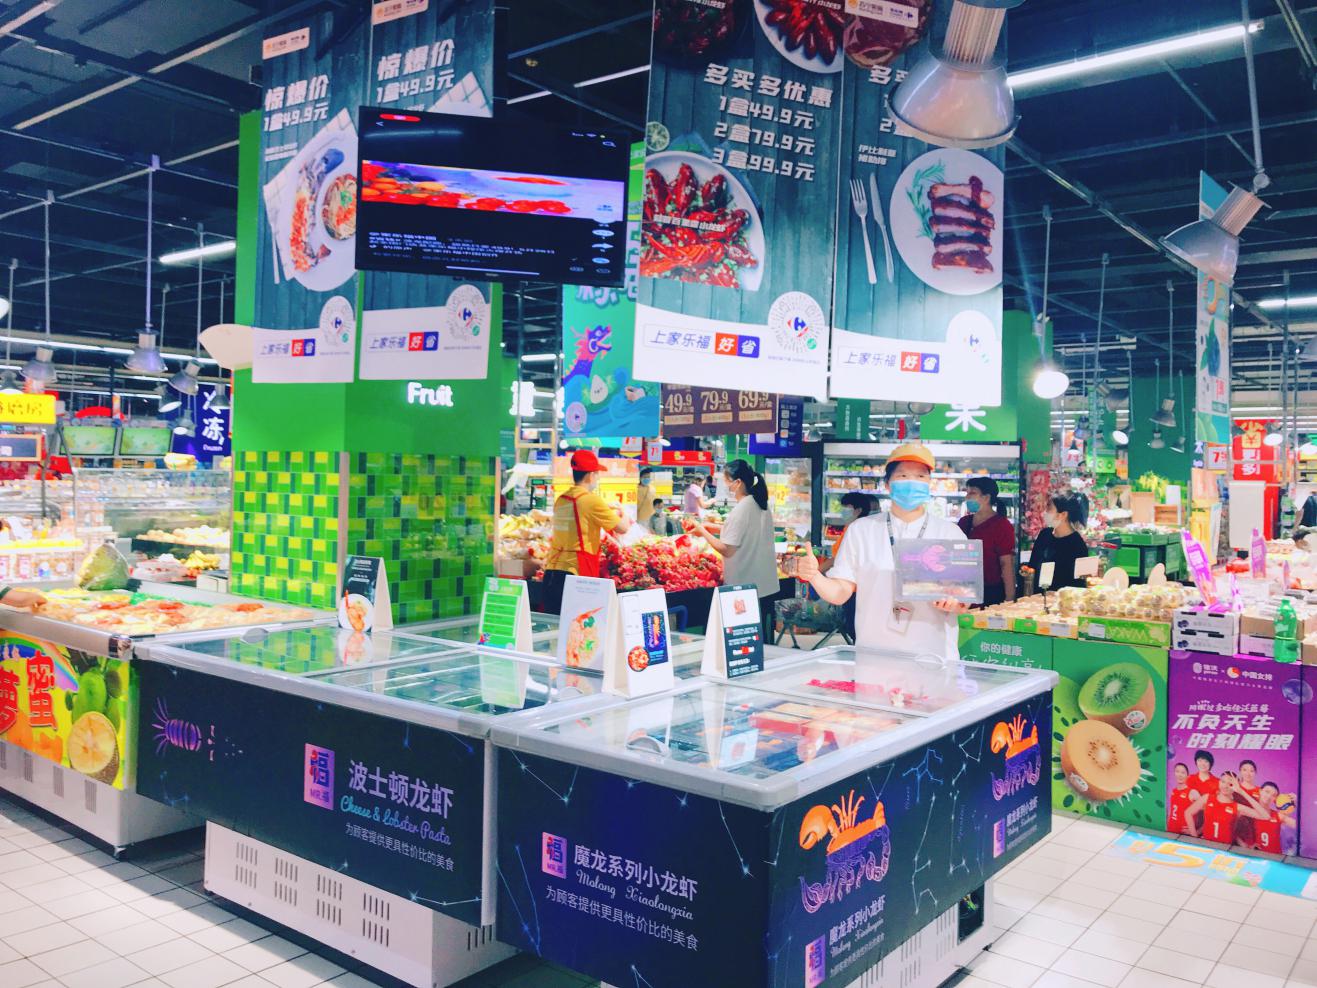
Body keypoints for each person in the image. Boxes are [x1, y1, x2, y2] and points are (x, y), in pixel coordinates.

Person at [796, 444, 967, 659]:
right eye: (903, 475)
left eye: (920, 476)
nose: (912, 482)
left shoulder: (950, 533)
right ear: (887, 484)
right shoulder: (861, 530)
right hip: (874, 654)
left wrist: (953, 601)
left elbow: (964, 600)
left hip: (934, 656)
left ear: (929, 484)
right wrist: (814, 576)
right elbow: (840, 593)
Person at [690, 460, 780, 640]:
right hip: (764, 584)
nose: (725, 485)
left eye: (726, 480)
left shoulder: (742, 509)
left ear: (738, 482)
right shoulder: (759, 503)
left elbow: (727, 549)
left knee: (744, 640)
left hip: (744, 586)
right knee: (761, 640)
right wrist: (712, 527)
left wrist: (702, 531)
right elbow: (745, 531)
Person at [542, 450, 632, 613]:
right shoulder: (591, 500)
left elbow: (580, 517)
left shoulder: (561, 499)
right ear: (591, 476)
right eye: (597, 474)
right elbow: (623, 528)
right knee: (580, 623)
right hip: (576, 574)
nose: (597, 478)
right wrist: (623, 511)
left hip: (552, 572)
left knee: (555, 622)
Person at [822, 492, 876, 643]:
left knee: (855, 625)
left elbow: (837, 558)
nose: (843, 510)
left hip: (853, 587)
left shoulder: (856, 528)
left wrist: (817, 571)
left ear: (858, 510)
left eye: (847, 507)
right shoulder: (856, 527)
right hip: (858, 586)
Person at [958, 477, 1016, 606]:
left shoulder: (1002, 525)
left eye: (972, 493)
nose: (967, 497)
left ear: (986, 497)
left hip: (990, 592)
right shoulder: (964, 522)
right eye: (967, 493)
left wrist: (1010, 598)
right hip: (965, 589)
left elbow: (1006, 563)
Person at [1029, 492, 1090, 590]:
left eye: (1049, 508)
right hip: (1038, 597)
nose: (1045, 512)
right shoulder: (1044, 535)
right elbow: (1032, 567)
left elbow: (1079, 584)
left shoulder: (1077, 545)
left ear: (1063, 514)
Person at [1189, 771, 1242, 846]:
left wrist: (1241, 791)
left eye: (1230, 784)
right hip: (1206, 845)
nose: (1225, 786)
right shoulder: (1208, 798)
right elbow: (1188, 813)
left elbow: (1262, 815)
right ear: (1219, 782)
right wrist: (1194, 837)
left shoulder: (1237, 806)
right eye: (1223, 781)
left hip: (1224, 847)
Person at [1167, 763, 1197, 837]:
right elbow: (1172, 811)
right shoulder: (1174, 791)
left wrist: (1196, 831)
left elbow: (1208, 813)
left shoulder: (1192, 792)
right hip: (1171, 831)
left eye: (1183, 772)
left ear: (1187, 775)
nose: (1180, 775)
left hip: (1184, 835)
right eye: (1177, 771)